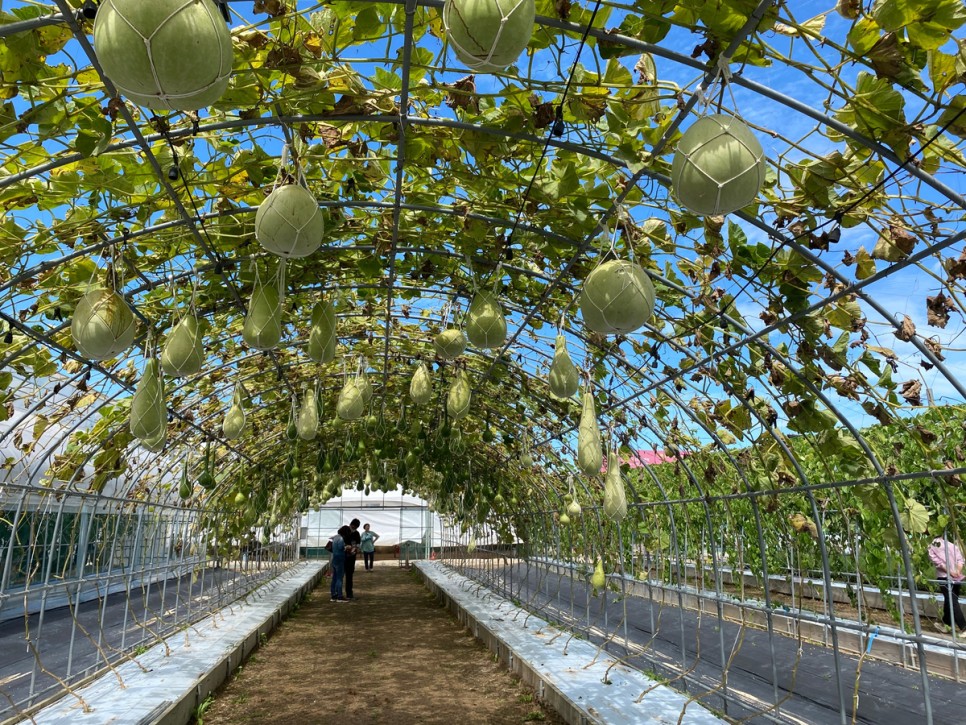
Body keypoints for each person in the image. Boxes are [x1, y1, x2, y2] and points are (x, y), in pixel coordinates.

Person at [928, 536, 965, 632]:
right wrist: (957, 571)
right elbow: (961, 560)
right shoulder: (952, 545)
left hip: (944, 576)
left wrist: (950, 571)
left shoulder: (933, 543)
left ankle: (964, 628)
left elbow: (935, 560)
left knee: (952, 601)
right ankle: (947, 624)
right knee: (950, 600)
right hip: (957, 578)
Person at [328, 526, 350, 602]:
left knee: (334, 578)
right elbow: (341, 547)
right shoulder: (341, 538)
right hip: (340, 559)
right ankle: (340, 596)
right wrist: (347, 547)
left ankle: (333, 595)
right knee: (339, 578)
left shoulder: (335, 537)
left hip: (334, 559)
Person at [343, 519, 362, 600]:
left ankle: (349, 594)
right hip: (343, 556)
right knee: (340, 575)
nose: (353, 528)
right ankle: (337, 594)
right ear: (350, 524)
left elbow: (358, 543)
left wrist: (356, 548)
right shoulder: (344, 530)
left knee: (349, 575)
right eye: (353, 526)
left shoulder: (357, 533)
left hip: (351, 556)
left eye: (355, 527)